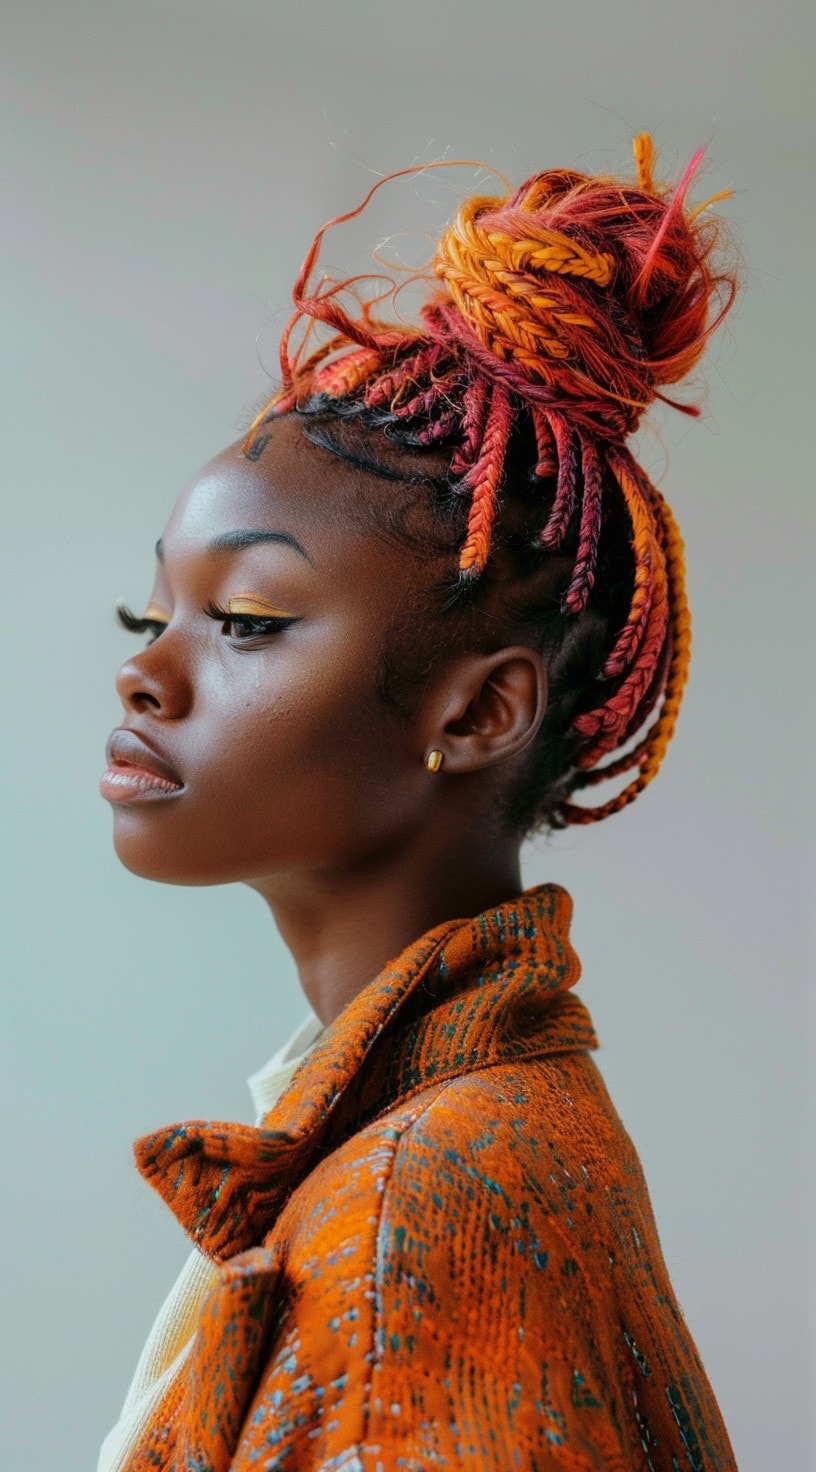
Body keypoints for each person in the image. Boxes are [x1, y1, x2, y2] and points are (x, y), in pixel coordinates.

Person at [98, 134, 739, 1470]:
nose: (146, 672)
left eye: (248, 619)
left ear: (478, 713)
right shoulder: (444, 1131)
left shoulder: (425, 1204)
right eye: (150, 608)